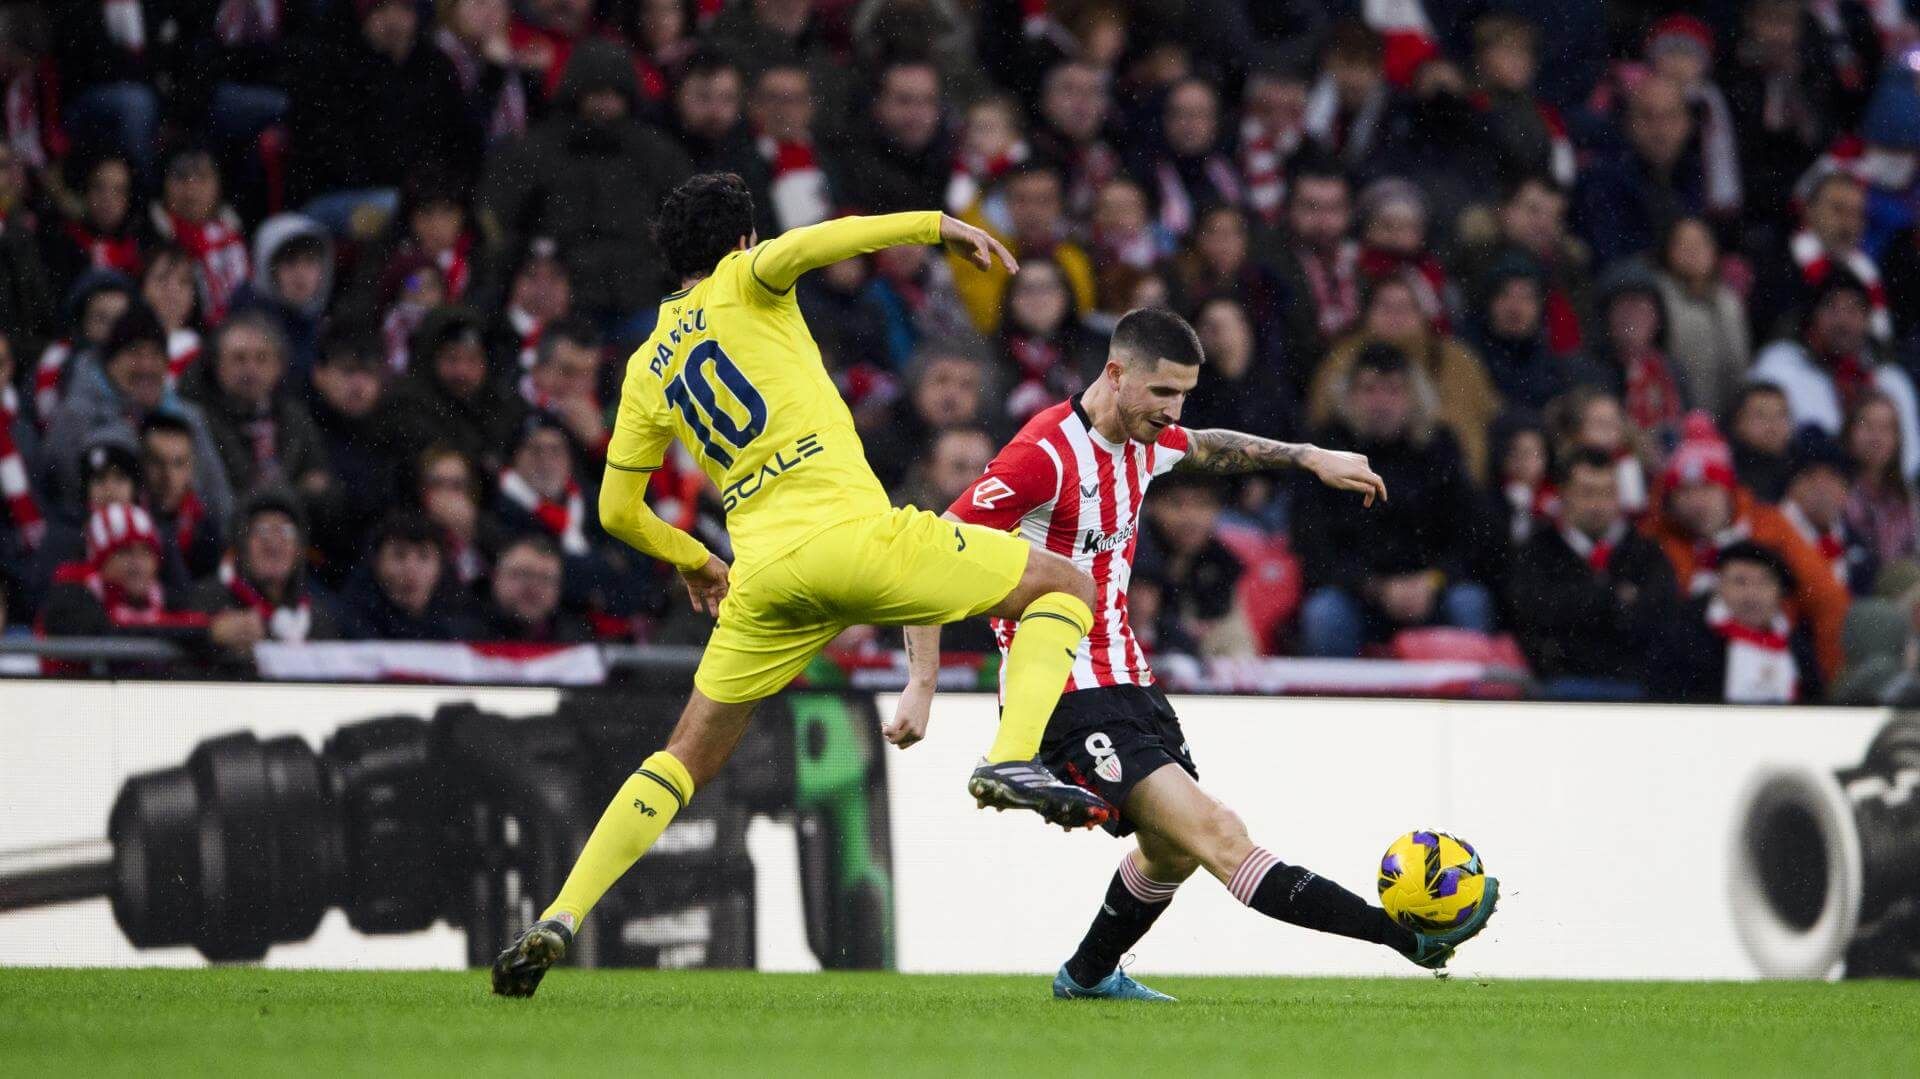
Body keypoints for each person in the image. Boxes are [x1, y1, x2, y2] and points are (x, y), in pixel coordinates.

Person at [492, 175, 1111, 997]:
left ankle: (562, 914)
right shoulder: (748, 280)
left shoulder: (646, 365)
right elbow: (834, 237)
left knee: (682, 755)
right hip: (851, 538)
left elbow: (615, 509)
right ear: (743, 240)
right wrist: (939, 226)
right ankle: (1013, 755)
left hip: (763, 575)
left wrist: (693, 557)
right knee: (1066, 586)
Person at [905, 307, 1491, 1000]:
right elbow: (930, 551)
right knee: (1217, 834)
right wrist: (923, 682)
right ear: (1116, 374)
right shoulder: (1044, 453)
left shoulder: (1146, 439)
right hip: (1065, 689)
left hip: (1131, 681)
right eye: (1161, 393)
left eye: (1183, 393)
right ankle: (1405, 937)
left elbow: (1209, 444)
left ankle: (1086, 977)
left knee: (1172, 851)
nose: (1173, 409)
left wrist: (1309, 456)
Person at [1294, 344, 1492, 657]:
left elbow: (1471, 535)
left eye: (1393, 391)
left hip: (1431, 589)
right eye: (1369, 390)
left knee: (1469, 603)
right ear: (1348, 397)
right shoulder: (1325, 451)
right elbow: (1313, 543)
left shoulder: (1440, 448)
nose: (1381, 403)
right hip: (1357, 594)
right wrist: (1375, 588)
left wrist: (1432, 581)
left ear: (1415, 398)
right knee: (1324, 614)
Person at [1641, 413, 1849, 683]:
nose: (1697, 502)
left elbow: (1828, 601)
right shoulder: (1658, 540)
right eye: (1684, 491)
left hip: (1776, 659)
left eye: (1707, 488)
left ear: (1728, 490)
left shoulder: (1770, 526)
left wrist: (1830, 683)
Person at [1506, 449, 1679, 699]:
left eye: (1608, 493)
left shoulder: (1646, 553)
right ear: (1563, 494)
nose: (1598, 504)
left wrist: (1578, 604)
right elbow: (1530, 615)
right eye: (1587, 492)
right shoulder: (1537, 551)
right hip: (1560, 683)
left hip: (1635, 685)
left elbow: (1661, 616)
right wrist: (1614, 598)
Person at [1750, 272, 1919, 478]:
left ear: (1867, 320)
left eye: (1853, 309)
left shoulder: (1890, 382)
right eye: (1831, 307)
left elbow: (1910, 463)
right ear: (1813, 315)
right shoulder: (1780, 366)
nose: (1843, 321)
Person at [1655, 540, 1824, 704]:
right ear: (1719, 585)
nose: (1751, 595)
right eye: (1740, 581)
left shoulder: (1797, 646)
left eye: (1763, 583)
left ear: (1779, 592)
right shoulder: (1688, 639)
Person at [183, 488, 338, 648]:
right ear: (241, 546)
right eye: (261, 530)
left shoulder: (319, 618)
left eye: (286, 531)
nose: (273, 543)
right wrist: (212, 636)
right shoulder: (210, 600)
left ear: (299, 550)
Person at [1653, 216, 1750, 419]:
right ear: (1669, 251)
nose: (1693, 250)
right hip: (1681, 418)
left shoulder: (1729, 301)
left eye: (1700, 242)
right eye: (1684, 243)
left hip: (1729, 417)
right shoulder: (1659, 297)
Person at [335, 510, 482, 641]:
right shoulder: (347, 626)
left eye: (424, 556)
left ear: (441, 566)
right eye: (399, 556)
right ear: (377, 563)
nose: (411, 569)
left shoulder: (468, 626)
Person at [1779, 430, 1875, 596]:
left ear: (1846, 491)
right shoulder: (1772, 536)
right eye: (1810, 476)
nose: (1821, 487)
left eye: (1832, 477)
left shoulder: (1856, 544)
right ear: (1791, 487)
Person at [478, 532, 592, 642]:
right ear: (496, 577)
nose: (534, 588)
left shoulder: (578, 645)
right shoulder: (464, 639)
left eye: (545, 579)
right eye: (524, 574)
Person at [1727, 383, 1795, 503]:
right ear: (1738, 423)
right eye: (1760, 416)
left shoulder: (1799, 474)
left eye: (1780, 415)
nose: (1772, 425)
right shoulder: (1728, 474)